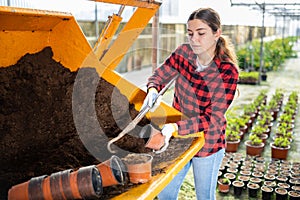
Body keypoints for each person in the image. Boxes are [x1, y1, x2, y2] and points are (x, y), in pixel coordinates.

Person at [140, 7, 239, 200]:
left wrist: (175, 127)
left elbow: (213, 117)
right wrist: (153, 89)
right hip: (178, 138)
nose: (194, 39)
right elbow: (160, 75)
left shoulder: (227, 71)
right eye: (190, 33)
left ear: (216, 33)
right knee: (165, 193)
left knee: (204, 196)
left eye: (201, 33)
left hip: (208, 141)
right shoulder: (183, 53)